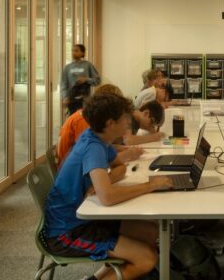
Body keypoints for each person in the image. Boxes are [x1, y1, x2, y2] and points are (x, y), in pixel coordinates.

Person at [43, 92, 172, 279]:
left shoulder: (99, 138)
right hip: (67, 231)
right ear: (111, 123)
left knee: (150, 231)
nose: (129, 123)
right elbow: (108, 198)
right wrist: (149, 186)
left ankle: (97, 277)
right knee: (147, 259)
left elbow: (120, 168)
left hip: (83, 218)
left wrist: (103, 182)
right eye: (125, 118)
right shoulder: (93, 147)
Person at [57, 84, 130, 165]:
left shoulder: (92, 119)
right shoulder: (83, 121)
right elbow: (89, 156)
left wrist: (119, 148)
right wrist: (126, 155)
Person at [60, 44, 100, 116]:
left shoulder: (88, 65)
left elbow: (97, 80)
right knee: (72, 121)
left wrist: (86, 79)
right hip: (71, 100)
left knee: (83, 121)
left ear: (82, 53)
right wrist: (65, 97)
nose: (73, 52)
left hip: (85, 101)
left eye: (76, 51)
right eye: (72, 50)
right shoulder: (67, 67)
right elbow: (63, 84)